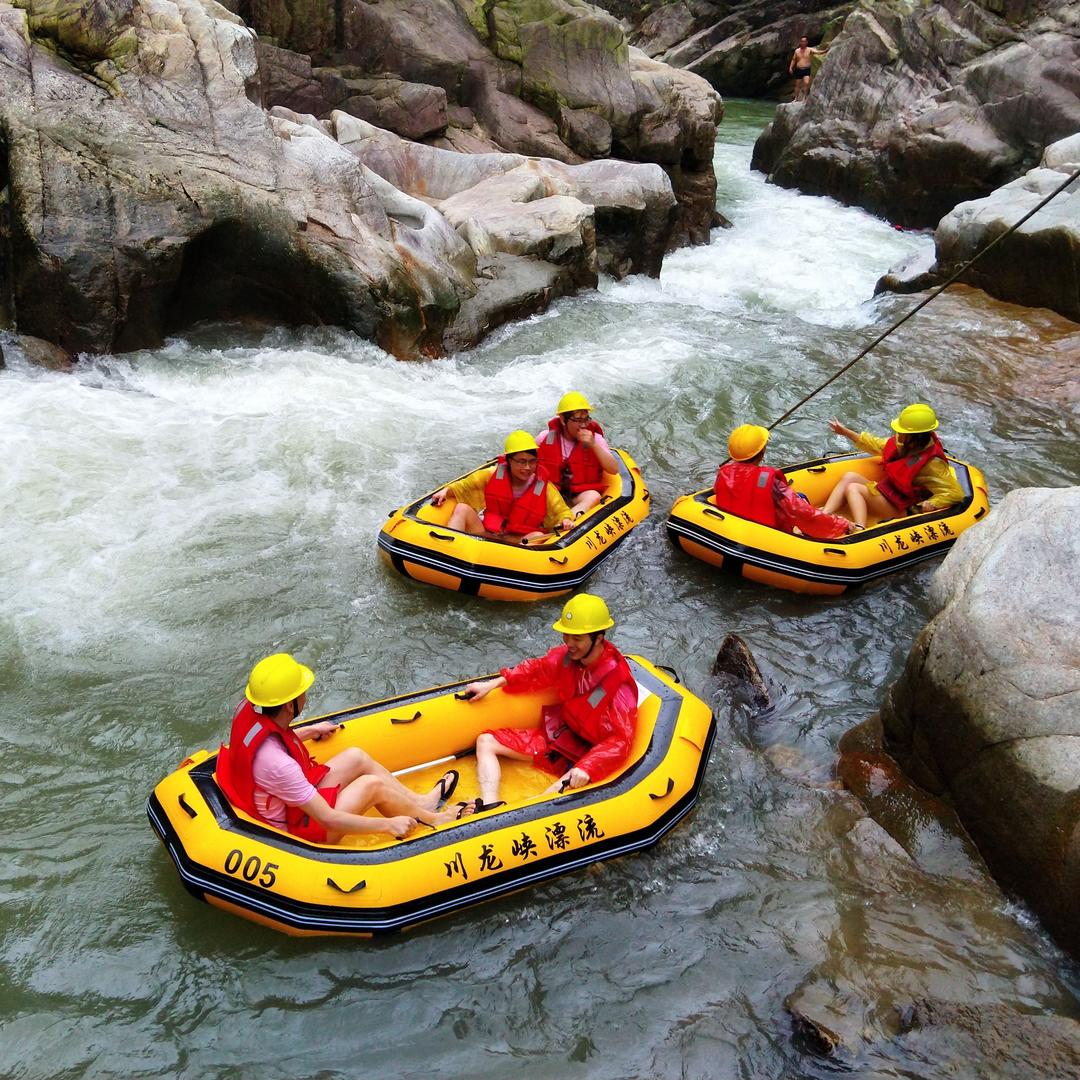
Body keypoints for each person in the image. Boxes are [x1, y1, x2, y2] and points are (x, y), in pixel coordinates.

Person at [216, 653, 460, 842]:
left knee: (357, 757)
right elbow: (328, 819)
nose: (306, 695)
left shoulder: (253, 710)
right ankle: (435, 820)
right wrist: (388, 824)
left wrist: (310, 731)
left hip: (285, 802)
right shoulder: (280, 766)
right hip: (295, 831)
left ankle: (422, 803)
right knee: (371, 786)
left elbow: (270, 743)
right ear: (290, 705)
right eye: (302, 692)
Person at [458, 594, 638, 815]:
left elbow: (620, 740)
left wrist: (587, 767)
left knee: (547, 798)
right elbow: (537, 669)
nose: (569, 643)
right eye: (567, 635)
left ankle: (513, 821)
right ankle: (489, 807)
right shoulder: (567, 658)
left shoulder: (618, 681)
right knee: (485, 741)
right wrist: (493, 683)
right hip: (561, 740)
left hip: (590, 757)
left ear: (599, 638)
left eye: (577, 638)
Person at [821, 404, 964, 528]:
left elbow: (955, 493)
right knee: (849, 477)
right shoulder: (902, 444)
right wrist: (845, 432)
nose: (898, 432)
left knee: (853, 488)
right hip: (890, 494)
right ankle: (824, 515)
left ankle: (859, 528)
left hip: (904, 507)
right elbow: (874, 444)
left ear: (914, 436)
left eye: (902, 431)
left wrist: (933, 503)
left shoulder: (932, 464)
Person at [714, 423, 858, 538]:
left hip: (735, 526)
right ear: (762, 452)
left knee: (800, 497)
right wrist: (841, 524)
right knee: (801, 499)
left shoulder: (723, 473)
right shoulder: (770, 483)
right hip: (768, 534)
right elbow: (802, 512)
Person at [431, 431, 574, 542]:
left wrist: (565, 520)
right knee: (462, 508)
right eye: (521, 461)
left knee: (536, 536)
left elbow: (561, 510)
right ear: (509, 460)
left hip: (517, 541)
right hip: (488, 533)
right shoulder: (491, 474)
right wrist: (446, 491)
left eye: (532, 461)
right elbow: (464, 486)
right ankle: (450, 546)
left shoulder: (543, 487)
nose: (527, 467)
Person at [536, 391, 620, 517]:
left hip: (578, 496)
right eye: (578, 420)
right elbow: (529, 465)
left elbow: (613, 469)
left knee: (593, 496)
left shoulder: (595, 439)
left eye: (586, 420)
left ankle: (566, 521)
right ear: (563, 420)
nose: (583, 425)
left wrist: (593, 445)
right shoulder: (545, 437)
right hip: (551, 494)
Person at [789, 36, 826, 101]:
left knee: (806, 83)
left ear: (806, 42)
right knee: (797, 85)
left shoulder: (809, 49)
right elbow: (793, 60)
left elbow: (818, 52)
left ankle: (804, 98)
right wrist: (790, 68)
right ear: (800, 42)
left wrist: (825, 51)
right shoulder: (797, 51)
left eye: (804, 41)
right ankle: (795, 98)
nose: (803, 42)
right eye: (802, 41)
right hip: (798, 69)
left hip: (806, 69)